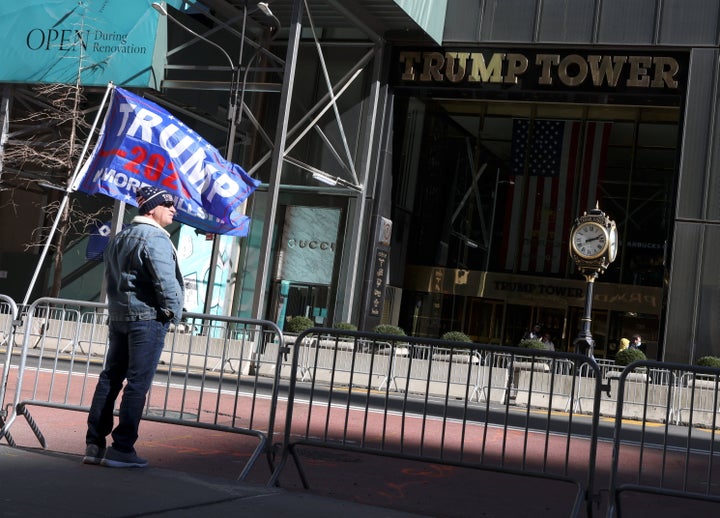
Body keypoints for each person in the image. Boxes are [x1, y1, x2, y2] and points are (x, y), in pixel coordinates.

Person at [84, 186, 184, 468]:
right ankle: (123, 448)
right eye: (167, 204)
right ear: (151, 208)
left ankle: (94, 444)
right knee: (137, 385)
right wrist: (173, 315)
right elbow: (166, 283)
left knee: (110, 379)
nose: (173, 209)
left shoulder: (120, 237)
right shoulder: (156, 239)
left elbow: (113, 278)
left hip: (119, 317)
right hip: (147, 320)